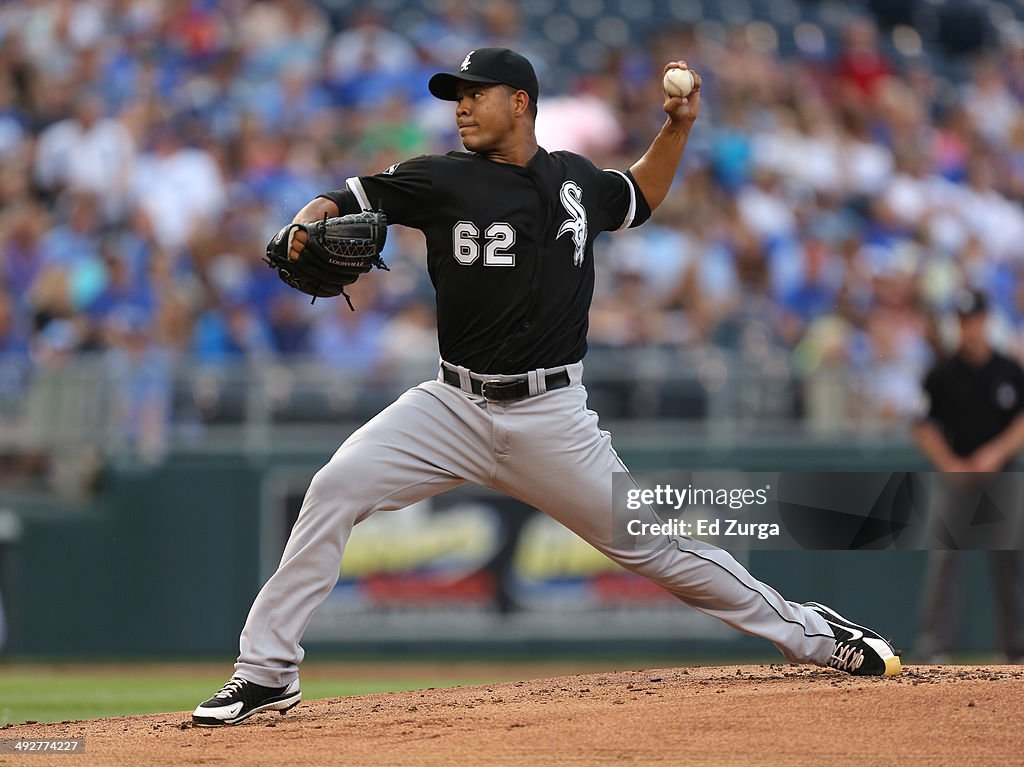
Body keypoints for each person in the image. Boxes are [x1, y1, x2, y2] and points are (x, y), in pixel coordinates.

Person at [193, 47, 901, 727]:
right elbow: (343, 195)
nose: (463, 108)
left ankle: (813, 634)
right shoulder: (440, 177)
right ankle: (267, 669)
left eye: (476, 94)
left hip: (551, 415)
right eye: (457, 96)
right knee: (334, 487)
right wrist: (302, 225)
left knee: (656, 548)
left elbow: (641, 195)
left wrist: (675, 128)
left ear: (520, 101)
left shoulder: (575, 179)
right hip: (451, 405)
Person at [912, 289, 1024, 662]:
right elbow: (922, 424)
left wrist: (996, 452)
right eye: (962, 321)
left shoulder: (1008, 370)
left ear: (985, 320)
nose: (969, 328)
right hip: (956, 474)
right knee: (945, 561)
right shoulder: (943, 372)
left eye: (973, 320)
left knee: (1010, 562)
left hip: (1000, 475)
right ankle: (936, 647)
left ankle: (1016, 649)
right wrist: (949, 462)